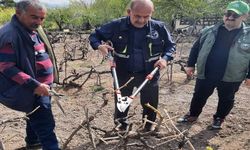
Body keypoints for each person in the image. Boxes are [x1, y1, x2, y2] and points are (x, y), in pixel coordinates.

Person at [89, 0, 176, 131]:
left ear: (152, 13)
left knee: (150, 102)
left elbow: (171, 46)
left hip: (149, 72)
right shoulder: (116, 25)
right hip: (123, 73)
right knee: (121, 101)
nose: (141, 20)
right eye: (137, 16)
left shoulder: (159, 27)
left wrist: (165, 59)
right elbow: (94, 36)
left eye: (146, 16)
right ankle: (121, 126)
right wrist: (99, 46)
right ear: (129, 12)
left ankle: (147, 126)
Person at [177, 0, 250, 129]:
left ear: (245, 16)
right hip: (206, 72)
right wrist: (190, 65)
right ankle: (192, 115)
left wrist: (249, 76)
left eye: (235, 15)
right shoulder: (209, 30)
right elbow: (196, 48)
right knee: (199, 95)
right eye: (228, 13)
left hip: (232, 75)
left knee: (226, 99)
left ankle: (219, 118)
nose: (230, 17)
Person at [0, 0, 60, 149]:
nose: (38, 22)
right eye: (34, 17)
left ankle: (33, 142)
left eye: (42, 18)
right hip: (31, 89)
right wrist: (35, 85)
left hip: (41, 88)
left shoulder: (30, 29)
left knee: (34, 114)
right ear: (19, 13)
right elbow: (6, 67)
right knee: (46, 127)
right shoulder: (10, 34)